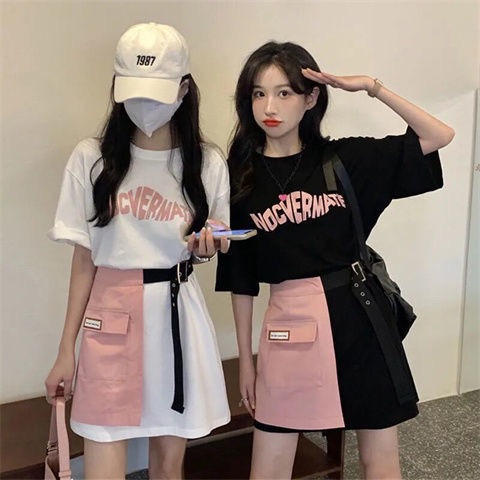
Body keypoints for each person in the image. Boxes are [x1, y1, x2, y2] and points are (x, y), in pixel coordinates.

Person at [215, 41, 454, 480]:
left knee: (380, 461)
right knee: (268, 467)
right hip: (289, 330)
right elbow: (240, 277)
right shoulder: (239, 180)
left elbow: (438, 135)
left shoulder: (344, 160)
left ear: (311, 98)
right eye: (258, 93)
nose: (270, 107)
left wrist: (371, 87)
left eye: (285, 92)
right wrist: (247, 362)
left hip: (361, 319)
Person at [45, 23, 231, 479]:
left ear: (184, 89)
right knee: (103, 457)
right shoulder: (91, 159)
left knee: (169, 466)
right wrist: (66, 348)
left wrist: (206, 249)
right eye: (134, 92)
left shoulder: (206, 163)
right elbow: (84, 259)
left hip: (177, 318)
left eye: (157, 92)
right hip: (109, 317)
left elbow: (213, 241)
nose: (145, 105)